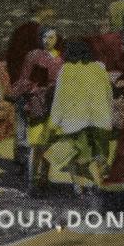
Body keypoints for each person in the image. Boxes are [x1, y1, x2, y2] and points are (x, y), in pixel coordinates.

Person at [47, 40, 114, 193]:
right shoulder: (99, 67)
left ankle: (78, 186)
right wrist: (108, 116)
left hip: (75, 121)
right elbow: (108, 93)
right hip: (99, 119)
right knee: (99, 155)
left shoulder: (66, 70)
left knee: (75, 156)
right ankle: (99, 184)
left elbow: (59, 98)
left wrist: (54, 122)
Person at [4, 1, 60, 164]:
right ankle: (38, 162)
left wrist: (15, 81)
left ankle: (21, 158)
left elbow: (10, 57)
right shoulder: (41, 33)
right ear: (41, 12)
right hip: (39, 87)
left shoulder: (19, 31)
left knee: (21, 121)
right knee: (39, 123)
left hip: (20, 83)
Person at [11, 26, 64, 189]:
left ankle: (44, 178)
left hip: (53, 103)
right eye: (45, 38)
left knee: (48, 143)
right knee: (36, 143)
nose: (47, 41)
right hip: (37, 103)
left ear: (56, 39)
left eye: (51, 38)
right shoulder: (34, 56)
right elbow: (24, 79)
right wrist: (34, 88)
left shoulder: (61, 59)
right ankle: (32, 181)